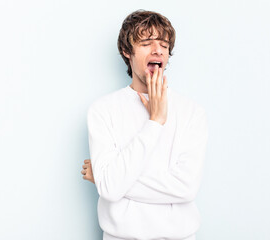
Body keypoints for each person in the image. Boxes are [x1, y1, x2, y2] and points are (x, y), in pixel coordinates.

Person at [81, 9, 208, 240]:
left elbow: (186, 187)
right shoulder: (103, 110)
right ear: (126, 51)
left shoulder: (192, 112)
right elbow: (110, 188)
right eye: (147, 43)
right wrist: (155, 122)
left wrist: (106, 178)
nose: (158, 49)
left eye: (164, 44)